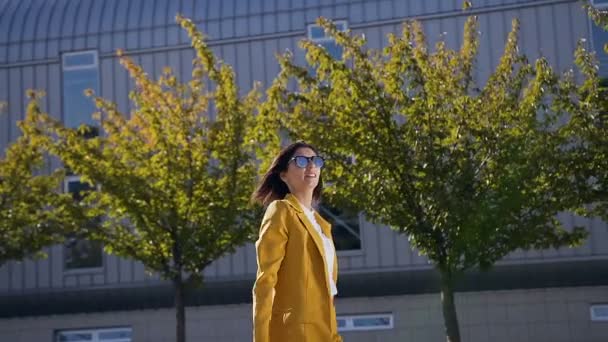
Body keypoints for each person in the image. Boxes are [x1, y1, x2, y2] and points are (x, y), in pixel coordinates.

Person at [251, 141, 342, 342]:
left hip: (326, 333)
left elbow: (328, 292)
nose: (311, 166)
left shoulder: (322, 226)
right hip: (294, 334)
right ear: (283, 175)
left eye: (316, 161)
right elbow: (265, 283)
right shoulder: (281, 211)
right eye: (301, 161)